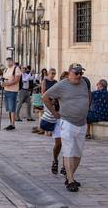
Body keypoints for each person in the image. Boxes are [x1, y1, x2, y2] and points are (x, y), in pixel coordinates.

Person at [43, 63, 90, 192]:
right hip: (68, 123)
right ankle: (70, 180)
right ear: (69, 73)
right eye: (77, 73)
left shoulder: (84, 83)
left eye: (81, 73)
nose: (79, 75)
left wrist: (86, 109)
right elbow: (45, 97)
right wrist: (54, 113)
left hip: (82, 123)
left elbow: (88, 96)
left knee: (78, 152)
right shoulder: (62, 85)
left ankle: (71, 177)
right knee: (69, 150)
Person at [2, 57, 21, 130]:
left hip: (13, 91)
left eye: (10, 61)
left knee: (12, 107)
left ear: (12, 61)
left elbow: (16, 80)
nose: (8, 62)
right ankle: (10, 123)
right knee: (8, 108)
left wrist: (7, 84)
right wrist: (2, 84)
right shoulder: (6, 69)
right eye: (7, 61)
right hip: (6, 90)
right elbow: (3, 78)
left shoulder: (16, 68)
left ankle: (13, 124)